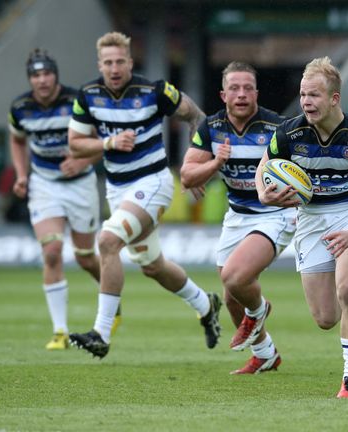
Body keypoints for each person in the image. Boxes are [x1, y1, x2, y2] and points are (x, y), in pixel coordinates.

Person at [67, 31, 220, 358]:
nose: (114, 67)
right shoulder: (88, 95)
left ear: (130, 62)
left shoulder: (154, 91)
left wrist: (195, 165)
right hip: (118, 189)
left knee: (107, 241)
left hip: (153, 183)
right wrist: (108, 143)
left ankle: (101, 334)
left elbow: (196, 116)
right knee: (153, 265)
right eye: (108, 62)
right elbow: (75, 144)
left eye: (120, 61)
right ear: (100, 65)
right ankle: (206, 305)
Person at [255, 56, 348, 398]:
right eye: (303, 95)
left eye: (314, 95)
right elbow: (265, 166)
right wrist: (264, 194)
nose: (306, 102)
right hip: (310, 220)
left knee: (344, 288)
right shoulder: (289, 133)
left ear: (334, 98)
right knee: (324, 318)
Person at [180, 61, 291, 374]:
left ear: (256, 93)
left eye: (247, 88)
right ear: (223, 94)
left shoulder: (277, 128)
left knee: (234, 277)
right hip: (237, 214)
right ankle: (265, 353)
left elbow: (302, 168)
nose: (241, 94)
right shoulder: (211, 128)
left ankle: (259, 309)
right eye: (234, 88)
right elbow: (187, 175)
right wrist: (214, 164)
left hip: (275, 214)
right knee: (231, 298)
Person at [8, 49, 110, 350]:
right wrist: (21, 175)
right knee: (51, 250)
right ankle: (60, 331)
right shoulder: (20, 108)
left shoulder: (77, 102)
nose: (42, 80)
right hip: (44, 184)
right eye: (36, 75)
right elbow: (17, 139)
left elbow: (105, 139)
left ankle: (110, 297)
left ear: (56, 75)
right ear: (30, 79)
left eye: (47, 74)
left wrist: (82, 162)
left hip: (80, 184)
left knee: (84, 256)